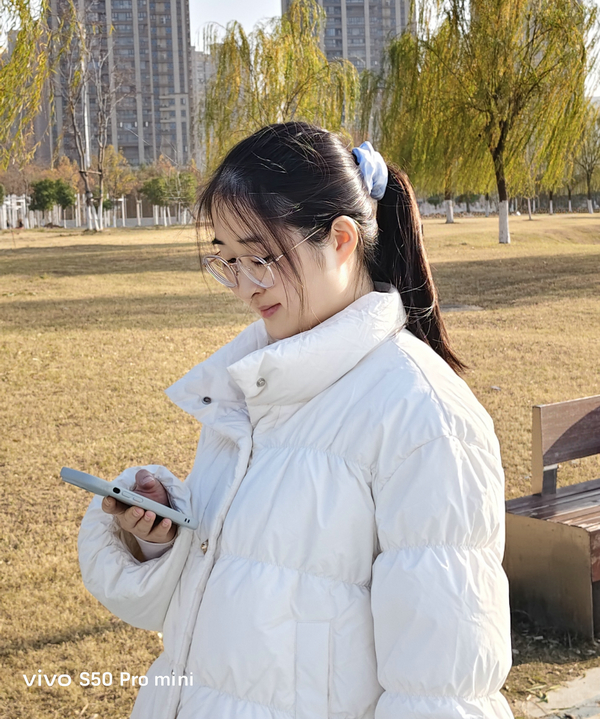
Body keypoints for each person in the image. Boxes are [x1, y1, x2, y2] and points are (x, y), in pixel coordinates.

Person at [78, 122, 513, 719]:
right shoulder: (251, 384)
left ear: (341, 240)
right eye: (228, 260)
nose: (244, 287)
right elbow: (239, 583)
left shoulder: (425, 419)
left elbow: (442, 691)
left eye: (260, 257)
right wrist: (164, 534)